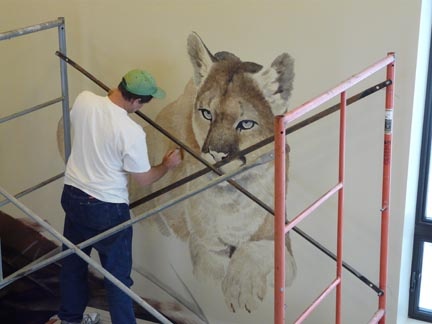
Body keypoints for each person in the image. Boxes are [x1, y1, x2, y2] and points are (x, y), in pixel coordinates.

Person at [57, 69, 182, 324]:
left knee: (73, 263)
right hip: (106, 209)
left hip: (72, 196)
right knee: (117, 279)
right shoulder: (131, 131)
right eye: (143, 103)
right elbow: (144, 178)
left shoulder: (84, 100)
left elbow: (94, 117)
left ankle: (69, 319)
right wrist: (167, 166)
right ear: (136, 101)